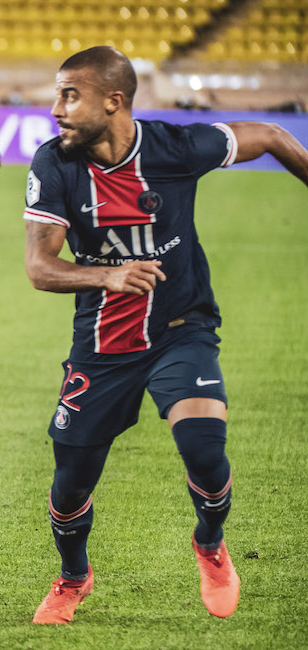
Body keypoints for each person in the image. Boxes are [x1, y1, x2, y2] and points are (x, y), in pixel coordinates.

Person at [23, 46, 308, 624]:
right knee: (70, 483)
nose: (57, 109)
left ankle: (210, 544)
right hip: (102, 346)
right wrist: (107, 275)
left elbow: (272, 136)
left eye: (70, 96)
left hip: (182, 329)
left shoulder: (174, 148)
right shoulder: (54, 164)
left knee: (204, 448)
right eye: (57, 95)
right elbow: (39, 266)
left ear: (114, 101)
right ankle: (74, 577)